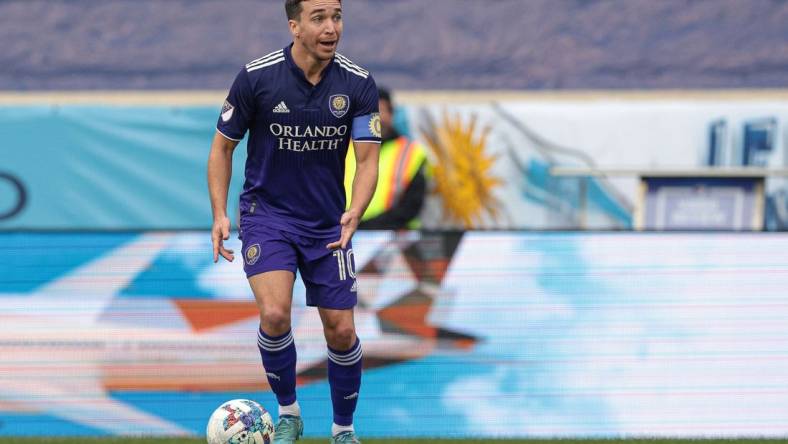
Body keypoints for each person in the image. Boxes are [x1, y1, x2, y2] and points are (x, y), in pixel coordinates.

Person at [207, 1, 380, 442]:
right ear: (295, 25)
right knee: (275, 312)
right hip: (268, 216)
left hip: (327, 224)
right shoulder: (257, 77)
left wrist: (355, 210)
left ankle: (343, 430)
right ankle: (289, 414)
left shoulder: (358, 83)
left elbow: (367, 160)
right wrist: (220, 213)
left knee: (341, 331)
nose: (331, 27)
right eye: (319, 17)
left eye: (337, 16)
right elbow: (222, 149)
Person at [344, 88, 429, 230]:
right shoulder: (342, 148)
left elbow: (412, 205)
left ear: (391, 114)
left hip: (396, 238)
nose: (374, 118)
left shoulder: (412, 153)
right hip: (344, 234)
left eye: (380, 111)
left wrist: (366, 226)